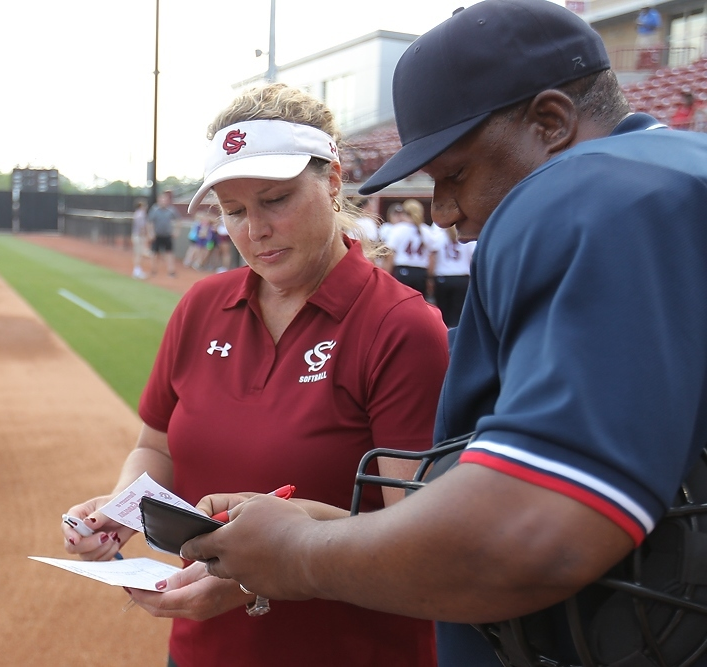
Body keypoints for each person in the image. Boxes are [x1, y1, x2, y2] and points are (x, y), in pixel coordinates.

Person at [181, 2, 707, 666]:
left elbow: (527, 531)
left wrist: (298, 552)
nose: (449, 213)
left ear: (551, 123)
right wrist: (325, 526)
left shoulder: (593, 188)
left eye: (456, 175)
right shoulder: (678, 165)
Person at [62, 82, 448, 667]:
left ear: (334, 181)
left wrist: (265, 569)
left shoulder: (398, 326)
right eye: (234, 211)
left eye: (276, 200)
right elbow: (156, 446)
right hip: (201, 653)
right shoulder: (201, 307)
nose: (254, 230)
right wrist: (122, 509)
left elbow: (416, 545)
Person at [380, 198, 433, 299]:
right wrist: (430, 277)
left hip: (403, 270)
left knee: (400, 301)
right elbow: (432, 256)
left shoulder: (398, 229)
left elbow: (390, 254)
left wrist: (386, 274)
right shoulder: (426, 230)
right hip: (421, 272)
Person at [428, 224, 475, 328]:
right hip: (462, 278)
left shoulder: (438, 237)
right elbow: (473, 258)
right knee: (458, 315)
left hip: (443, 278)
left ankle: (445, 338)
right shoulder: (466, 239)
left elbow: (432, 258)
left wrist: (429, 277)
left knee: (443, 314)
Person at [148, 190, 179, 277]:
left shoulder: (171, 210)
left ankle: (171, 271)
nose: (163, 201)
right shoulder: (154, 209)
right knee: (155, 253)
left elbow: (178, 220)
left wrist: (176, 231)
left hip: (167, 235)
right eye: (162, 199)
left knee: (169, 253)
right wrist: (151, 233)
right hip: (157, 235)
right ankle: (153, 270)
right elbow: (149, 222)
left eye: (165, 199)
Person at [131, 199, 150, 279]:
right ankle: (137, 271)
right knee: (139, 254)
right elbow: (142, 227)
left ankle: (137, 270)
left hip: (136, 235)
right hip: (139, 236)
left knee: (138, 254)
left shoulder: (137, 214)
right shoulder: (141, 214)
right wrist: (145, 236)